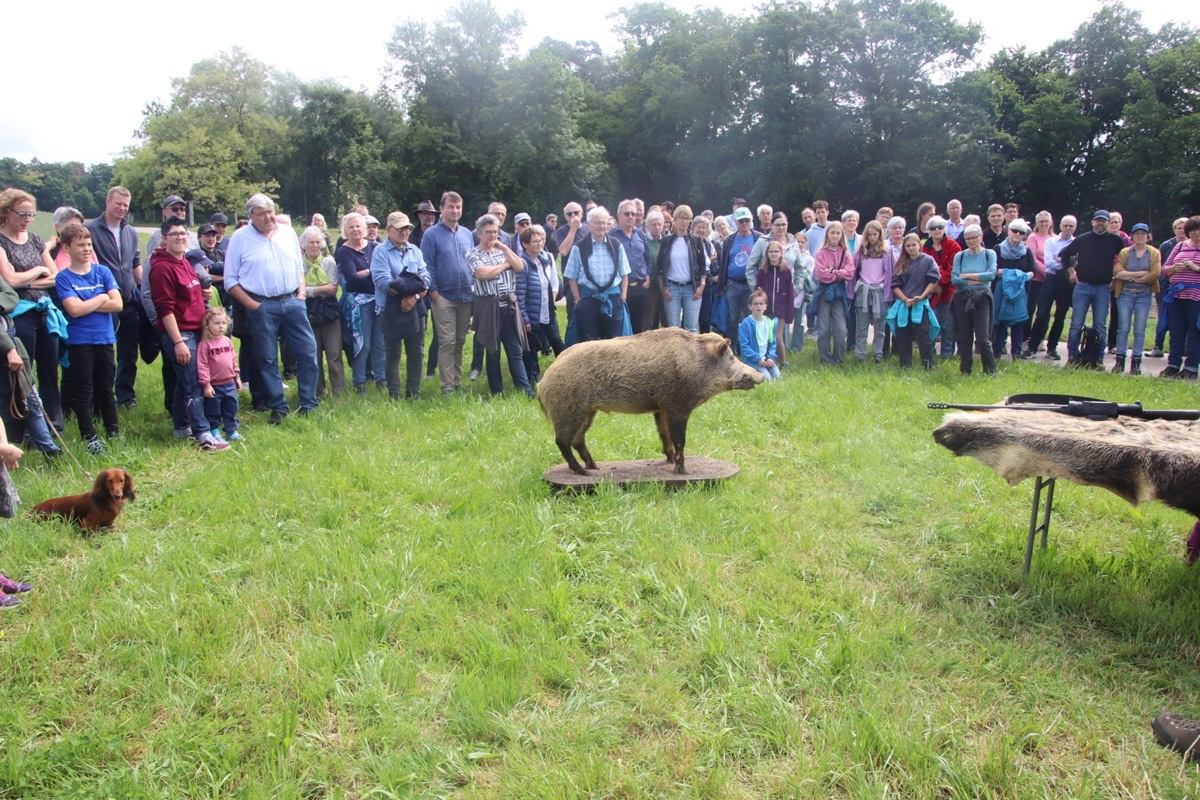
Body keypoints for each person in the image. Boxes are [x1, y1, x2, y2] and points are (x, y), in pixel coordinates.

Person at [224, 194, 321, 423]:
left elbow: (299, 267)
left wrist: (299, 294)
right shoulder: (239, 238)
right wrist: (252, 305)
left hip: (292, 301)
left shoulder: (287, 233)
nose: (269, 217)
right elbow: (230, 280)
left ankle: (308, 403)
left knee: (308, 352)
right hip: (261, 305)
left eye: (271, 211)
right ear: (251, 216)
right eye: (263, 213)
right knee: (267, 358)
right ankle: (278, 406)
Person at [149, 217, 229, 451]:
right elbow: (164, 308)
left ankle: (181, 426)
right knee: (194, 381)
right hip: (180, 333)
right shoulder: (162, 267)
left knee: (183, 382)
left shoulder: (184, 261)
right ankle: (203, 433)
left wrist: (200, 296)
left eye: (183, 233)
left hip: (196, 329)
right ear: (164, 238)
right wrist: (178, 342)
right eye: (174, 234)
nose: (180, 238)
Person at [54, 223, 122, 454]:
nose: (86, 249)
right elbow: (73, 310)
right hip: (80, 341)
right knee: (84, 389)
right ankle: (89, 436)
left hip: (104, 338)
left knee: (106, 387)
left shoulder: (102, 271)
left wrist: (88, 304)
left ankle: (113, 431)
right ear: (66, 248)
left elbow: (118, 303)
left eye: (88, 244)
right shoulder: (63, 278)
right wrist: (102, 296)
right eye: (80, 245)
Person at [0, 188, 63, 432]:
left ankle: (54, 425)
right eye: (23, 214)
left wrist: (25, 279)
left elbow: (56, 276)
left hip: (45, 312)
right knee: (24, 373)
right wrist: (38, 271)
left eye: (31, 215)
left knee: (50, 369)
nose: (27, 219)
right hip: (19, 315)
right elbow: (10, 282)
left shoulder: (36, 240)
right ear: (7, 212)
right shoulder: (1, 241)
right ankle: (24, 427)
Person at [84, 186, 142, 410]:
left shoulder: (130, 232)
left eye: (126, 205)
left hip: (128, 300)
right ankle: (98, 398)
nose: (122, 208)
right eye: (118, 203)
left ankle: (126, 396)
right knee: (101, 355)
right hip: (101, 303)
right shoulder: (90, 229)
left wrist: (144, 290)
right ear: (107, 202)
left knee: (128, 354)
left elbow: (135, 264)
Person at [467, 214, 531, 396]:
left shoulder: (503, 250)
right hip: (488, 306)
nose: (492, 236)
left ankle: (525, 390)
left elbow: (519, 267)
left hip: (508, 306)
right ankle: (497, 392)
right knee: (492, 351)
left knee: (515, 350)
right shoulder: (472, 253)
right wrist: (504, 265)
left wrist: (503, 247)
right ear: (479, 233)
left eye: (495, 232)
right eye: (488, 232)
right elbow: (483, 274)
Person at [370, 212, 430, 400]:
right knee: (393, 353)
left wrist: (413, 296)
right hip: (390, 310)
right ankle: (394, 395)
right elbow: (384, 282)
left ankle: (414, 394)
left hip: (416, 308)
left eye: (407, 228)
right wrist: (414, 287)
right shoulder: (380, 252)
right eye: (400, 228)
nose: (404, 232)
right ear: (388, 230)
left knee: (416, 352)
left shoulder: (415, 250)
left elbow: (426, 278)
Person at [422, 192, 475, 394]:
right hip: (443, 296)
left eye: (458, 207)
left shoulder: (467, 234)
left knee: (460, 341)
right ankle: (447, 387)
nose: (455, 210)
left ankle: (456, 381)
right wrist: (433, 293)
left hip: (465, 297)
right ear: (441, 208)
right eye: (451, 206)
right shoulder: (431, 235)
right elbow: (427, 266)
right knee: (447, 341)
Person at [1060, 210, 1125, 366]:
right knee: (1076, 323)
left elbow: (1123, 259)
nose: (1100, 224)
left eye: (1104, 221)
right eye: (1098, 221)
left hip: (1103, 288)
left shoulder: (1115, 240)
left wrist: (1116, 277)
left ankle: (1098, 358)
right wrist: (1070, 271)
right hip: (1083, 287)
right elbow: (1064, 254)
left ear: (1108, 223)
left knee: (1100, 325)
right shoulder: (1083, 239)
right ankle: (1072, 357)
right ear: (1093, 222)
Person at [564, 206, 630, 342]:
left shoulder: (617, 246)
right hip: (588, 299)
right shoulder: (578, 247)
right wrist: (578, 300)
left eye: (604, 222)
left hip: (613, 299)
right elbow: (572, 277)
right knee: (589, 342)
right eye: (597, 222)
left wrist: (622, 295)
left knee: (615, 341)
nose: (602, 226)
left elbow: (624, 273)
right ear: (588, 225)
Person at [335, 212, 383, 392]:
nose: (355, 230)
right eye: (351, 227)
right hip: (359, 304)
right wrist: (372, 273)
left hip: (379, 301)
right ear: (345, 230)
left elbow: (383, 274)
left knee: (379, 343)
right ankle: (359, 382)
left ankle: (381, 379)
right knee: (363, 343)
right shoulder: (344, 251)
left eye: (358, 226)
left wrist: (366, 273)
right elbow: (352, 280)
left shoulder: (375, 246)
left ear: (364, 228)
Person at [1023, 215, 1077, 361]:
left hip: (1067, 283)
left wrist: (1059, 260)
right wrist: (1067, 264)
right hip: (1051, 279)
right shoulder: (1051, 242)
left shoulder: (1077, 243)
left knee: (1060, 316)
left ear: (1075, 227)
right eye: (1065, 225)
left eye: (1071, 226)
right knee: (1042, 314)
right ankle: (1032, 347)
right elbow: (1049, 263)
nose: (1068, 228)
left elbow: (1076, 263)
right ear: (1060, 226)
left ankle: (1052, 348)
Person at [299, 226, 344, 397]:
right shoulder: (299, 263)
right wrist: (320, 289)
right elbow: (301, 290)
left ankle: (339, 392)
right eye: (311, 242)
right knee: (314, 355)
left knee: (334, 354)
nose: (315, 245)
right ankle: (319, 392)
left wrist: (313, 289)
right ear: (304, 244)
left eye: (318, 242)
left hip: (329, 312)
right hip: (308, 312)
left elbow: (333, 287)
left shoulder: (329, 262)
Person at [1111, 223, 1160, 375]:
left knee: (1140, 329)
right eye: (1137, 233)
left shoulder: (1154, 253)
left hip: (1144, 295)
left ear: (1148, 236)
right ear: (1132, 236)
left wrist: (1130, 275)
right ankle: (1120, 359)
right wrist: (1139, 275)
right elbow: (1118, 272)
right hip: (1125, 293)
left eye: (1143, 233)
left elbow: (1154, 274)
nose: (1140, 236)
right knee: (1123, 328)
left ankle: (1136, 361)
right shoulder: (1125, 252)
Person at [951, 224, 998, 376]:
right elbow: (955, 279)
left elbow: (991, 276)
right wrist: (979, 277)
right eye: (968, 238)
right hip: (962, 297)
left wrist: (966, 276)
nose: (971, 241)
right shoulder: (960, 256)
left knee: (983, 338)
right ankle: (965, 370)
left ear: (980, 237)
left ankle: (991, 371)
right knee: (965, 338)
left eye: (974, 238)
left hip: (982, 298)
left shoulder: (989, 254)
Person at [887, 233, 940, 369]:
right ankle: (905, 366)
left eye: (913, 245)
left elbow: (933, 280)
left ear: (919, 245)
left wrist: (922, 296)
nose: (911, 248)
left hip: (920, 304)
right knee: (903, 336)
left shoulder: (928, 260)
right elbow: (895, 285)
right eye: (908, 246)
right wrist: (905, 299)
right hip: (904, 304)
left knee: (924, 337)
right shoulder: (902, 262)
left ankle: (928, 366)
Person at [517, 224, 562, 383]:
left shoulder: (545, 259)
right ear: (525, 244)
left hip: (547, 310)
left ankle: (564, 373)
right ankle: (533, 379)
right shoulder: (522, 263)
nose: (540, 243)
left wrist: (553, 297)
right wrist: (525, 319)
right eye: (535, 241)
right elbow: (519, 294)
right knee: (532, 348)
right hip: (531, 313)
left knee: (556, 341)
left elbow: (553, 282)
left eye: (541, 240)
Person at [654, 205, 707, 334]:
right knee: (674, 329)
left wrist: (702, 286)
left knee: (692, 328)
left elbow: (702, 265)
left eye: (687, 218)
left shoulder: (696, 240)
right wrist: (663, 288)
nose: (684, 221)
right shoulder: (666, 241)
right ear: (675, 220)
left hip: (692, 288)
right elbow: (660, 267)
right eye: (681, 218)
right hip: (672, 289)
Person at [1160, 216, 1200, 380]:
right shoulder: (1180, 245)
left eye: (1198, 229)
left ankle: (1191, 368)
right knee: (1176, 330)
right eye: (1192, 229)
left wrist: (1194, 267)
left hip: (1196, 296)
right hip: (1176, 294)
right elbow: (1164, 269)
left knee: (1194, 331)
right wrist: (1173, 268)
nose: (1196, 232)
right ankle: (1173, 365)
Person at [716, 206, 763, 344]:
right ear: (735, 222)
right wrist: (721, 285)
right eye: (741, 221)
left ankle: (750, 349)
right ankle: (732, 349)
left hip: (752, 285)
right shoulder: (729, 240)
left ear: (751, 220)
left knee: (752, 318)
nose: (744, 224)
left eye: (747, 220)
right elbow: (724, 262)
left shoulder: (758, 238)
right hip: (733, 284)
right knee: (732, 319)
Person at [196, 306, 242, 443]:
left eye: (223, 323)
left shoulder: (227, 341)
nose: (221, 326)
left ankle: (231, 431)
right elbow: (202, 365)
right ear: (207, 324)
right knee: (213, 410)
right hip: (214, 385)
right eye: (216, 323)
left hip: (229, 383)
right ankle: (214, 431)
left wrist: (237, 377)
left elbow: (233, 359)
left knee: (231, 408)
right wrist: (206, 384)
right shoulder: (205, 344)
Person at [812, 221, 855, 366]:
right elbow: (820, 274)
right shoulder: (821, 253)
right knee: (823, 328)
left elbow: (850, 273)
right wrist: (839, 273)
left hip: (839, 294)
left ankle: (839, 358)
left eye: (838, 233)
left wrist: (833, 272)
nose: (835, 236)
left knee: (841, 328)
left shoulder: (846, 253)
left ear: (841, 234)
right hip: (824, 293)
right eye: (832, 233)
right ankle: (825, 358)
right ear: (828, 235)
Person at [992, 219, 1035, 359]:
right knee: (999, 321)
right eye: (1014, 230)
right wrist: (1016, 274)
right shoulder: (998, 249)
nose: (1017, 234)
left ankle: (1017, 353)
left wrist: (1017, 276)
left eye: (1021, 232)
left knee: (1018, 322)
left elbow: (1032, 271)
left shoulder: (1027, 251)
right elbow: (993, 270)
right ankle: (996, 352)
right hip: (1000, 291)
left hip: (1020, 291)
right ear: (1008, 231)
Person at [610, 199, 653, 334]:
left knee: (638, 327)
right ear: (619, 216)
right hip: (620, 288)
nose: (630, 217)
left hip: (640, 287)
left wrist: (647, 277)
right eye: (627, 214)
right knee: (620, 327)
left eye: (633, 214)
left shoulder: (639, 234)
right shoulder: (611, 235)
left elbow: (646, 257)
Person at [922, 215, 961, 358]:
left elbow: (953, 268)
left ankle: (946, 354)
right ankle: (930, 353)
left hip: (948, 291)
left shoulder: (953, 245)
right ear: (929, 231)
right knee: (931, 323)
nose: (937, 230)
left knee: (947, 324)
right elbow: (924, 268)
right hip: (931, 292)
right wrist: (934, 284)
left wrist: (938, 282)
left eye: (940, 227)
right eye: (933, 228)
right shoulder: (924, 247)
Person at [853, 221, 891, 363]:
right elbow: (854, 270)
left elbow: (890, 273)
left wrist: (887, 292)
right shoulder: (861, 251)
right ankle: (860, 355)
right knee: (861, 327)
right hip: (864, 289)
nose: (872, 237)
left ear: (880, 235)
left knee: (880, 328)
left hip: (879, 291)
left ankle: (878, 355)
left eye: (875, 234)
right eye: (870, 235)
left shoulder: (886, 251)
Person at [1153, 217, 1189, 357]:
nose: (1181, 230)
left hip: (1185, 288)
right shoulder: (1167, 245)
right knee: (1163, 317)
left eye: (1184, 227)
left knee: (1183, 319)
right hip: (1165, 287)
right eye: (1178, 227)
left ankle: (1184, 348)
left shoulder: (1194, 246)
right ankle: (1158, 346)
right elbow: (1159, 264)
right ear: (1174, 229)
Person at [756, 240, 794, 366]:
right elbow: (758, 289)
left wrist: (789, 314)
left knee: (778, 336)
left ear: (781, 253)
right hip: (766, 310)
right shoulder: (763, 270)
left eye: (776, 251)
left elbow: (790, 294)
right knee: (765, 336)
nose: (773, 254)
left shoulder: (786, 271)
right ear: (767, 254)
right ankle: (765, 359)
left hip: (780, 310)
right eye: (771, 251)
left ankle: (783, 362)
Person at [739, 289, 780, 380]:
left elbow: (772, 342)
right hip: (752, 361)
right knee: (767, 379)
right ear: (750, 306)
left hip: (765, 359)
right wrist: (757, 359)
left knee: (777, 377)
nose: (758, 306)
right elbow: (744, 346)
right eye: (755, 304)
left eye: (761, 304)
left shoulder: (769, 322)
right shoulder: (746, 324)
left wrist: (771, 357)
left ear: (765, 306)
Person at [788, 231, 815, 357]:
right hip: (788, 289)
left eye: (802, 242)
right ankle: (784, 345)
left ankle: (797, 347)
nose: (799, 244)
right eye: (797, 241)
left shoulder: (809, 259)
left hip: (801, 292)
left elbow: (807, 274)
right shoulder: (789, 254)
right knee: (786, 320)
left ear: (806, 243)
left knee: (799, 321)